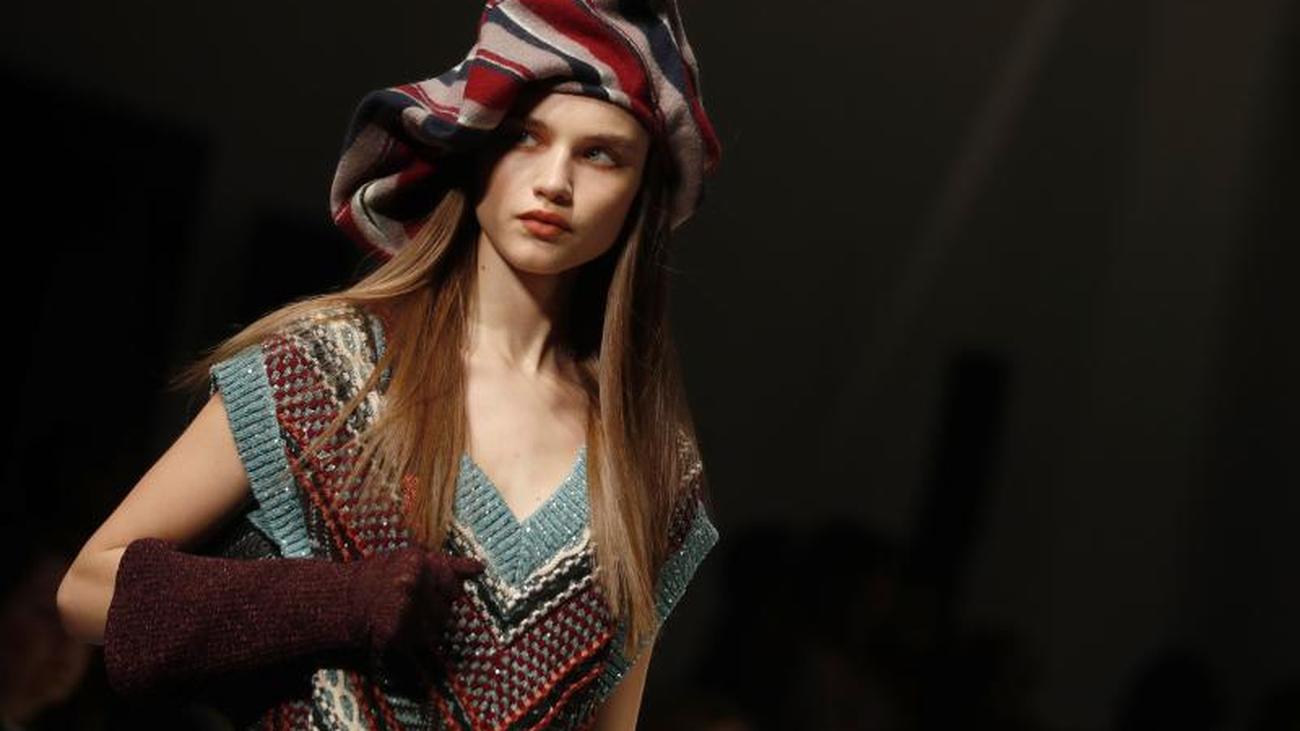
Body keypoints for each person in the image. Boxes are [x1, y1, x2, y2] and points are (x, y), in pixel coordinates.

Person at [54, 0, 723, 728]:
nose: (554, 181)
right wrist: (336, 599)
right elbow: (86, 590)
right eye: (523, 138)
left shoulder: (651, 466)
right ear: (477, 148)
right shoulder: (328, 367)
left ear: (641, 192)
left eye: (600, 154)